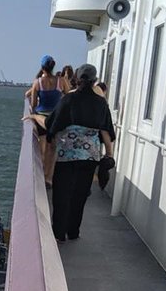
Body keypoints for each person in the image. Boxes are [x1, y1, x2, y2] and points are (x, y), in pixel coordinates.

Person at [45, 63, 115, 242]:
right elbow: (106, 131)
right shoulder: (101, 103)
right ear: (95, 81)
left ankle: (59, 233)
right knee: (80, 195)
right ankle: (73, 231)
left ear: (76, 79)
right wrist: (109, 154)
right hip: (90, 156)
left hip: (67, 155)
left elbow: (52, 124)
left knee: (62, 194)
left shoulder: (68, 100)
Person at [27, 55, 62, 187]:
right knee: (52, 148)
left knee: (42, 147)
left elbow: (34, 103)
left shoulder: (37, 83)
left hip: (41, 117)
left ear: (42, 67)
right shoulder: (60, 81)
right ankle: (48, 178)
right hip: (55, 118)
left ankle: (40, 174)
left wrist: (33, 115)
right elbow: (67, 95)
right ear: (53, 67)